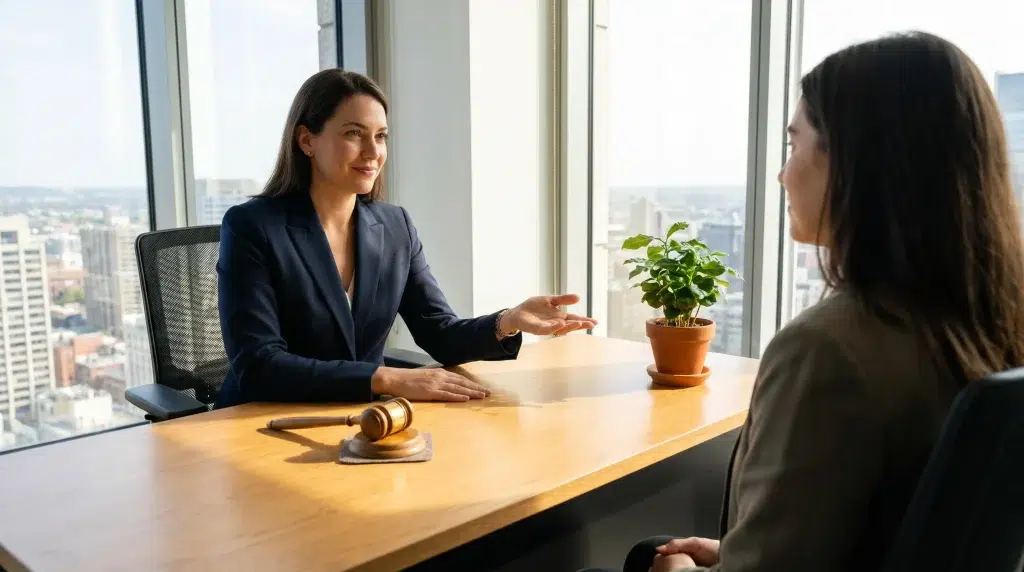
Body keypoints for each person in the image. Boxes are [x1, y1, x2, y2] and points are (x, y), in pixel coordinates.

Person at [606, 31, 1024, 572]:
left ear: (855, 163)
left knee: (650, 558)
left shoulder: (827, 351)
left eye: (793, 145)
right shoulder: (991, 323)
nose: (782, 174)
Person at [214, 69, 596, 408]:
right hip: (262, 421)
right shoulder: (253, 226)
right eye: (353, 134)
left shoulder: (394, 226)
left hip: (362, 420)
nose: (373, 152)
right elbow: (259, 365)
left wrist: (508, 321)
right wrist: (387, 379)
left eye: (380, 136)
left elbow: (439, 333)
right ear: (307, 141)